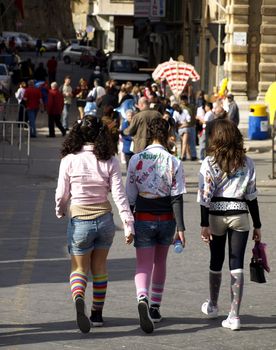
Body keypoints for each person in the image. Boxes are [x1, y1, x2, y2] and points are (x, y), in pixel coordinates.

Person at [55, 115, 134, 333]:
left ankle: (79, 296)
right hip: (105, 221)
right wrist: (128, 223)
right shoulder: (110, 160)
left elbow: (62, 193)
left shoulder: (69, 159)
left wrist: (60, 210)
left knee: (79, 268)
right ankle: (97, 314)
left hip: (80, 220)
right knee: (100, 269)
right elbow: (119, 195)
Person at [198, 118, 262, 331]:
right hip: (240, 214)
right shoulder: (247, 162)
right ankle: (234, 315)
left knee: (216, 260)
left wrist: (204, 223)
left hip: (216, 214)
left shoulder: (209, 162)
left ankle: (214, 305)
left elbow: (204, 196)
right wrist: (258, 225)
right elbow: (252, 196)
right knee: (237, 263)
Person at [126, 118, 186, 334]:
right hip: (167, 219)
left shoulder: (136, 159)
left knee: (143, 264)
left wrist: (128, 223)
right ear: (167, 134)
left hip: (143, 216)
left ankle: (142, 296)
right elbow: (177, 197)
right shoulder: (174, 161)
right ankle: (155, 307)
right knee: (160, 262)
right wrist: (181, 228)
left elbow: (130, 196)